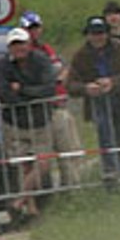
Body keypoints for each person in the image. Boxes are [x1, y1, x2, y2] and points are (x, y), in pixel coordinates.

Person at [0, 27, 57, 221]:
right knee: (25, 166)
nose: (18, 48)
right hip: (14, 123)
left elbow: (49, 88)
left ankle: (19, 201)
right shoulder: (3, 65)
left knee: (43, 163)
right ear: (9, 48)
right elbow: (3, 93)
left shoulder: (41, 60)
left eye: (21, 43)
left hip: (40, 121)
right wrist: (26, 98)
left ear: (28, 44)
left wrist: (23, 90)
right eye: (14, 45)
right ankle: (32, 210)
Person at [66, 15, 120, 184]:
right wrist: (86, 88)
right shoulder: (80, 55)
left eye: (101, 33)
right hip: (97, 103)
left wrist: (113, 82)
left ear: (107, 33)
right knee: (105, 133)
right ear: (87, 35)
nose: (98, 37)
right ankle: (111, 171)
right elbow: (71, 85)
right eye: (94, 33)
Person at [23, 11, 84, 188]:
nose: (33, 32)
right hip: (40, 112)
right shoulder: (25, 55)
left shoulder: (46, 49)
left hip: (59, 105)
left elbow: (63, 68)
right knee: (43, 160)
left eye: (36, 28)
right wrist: (53, 78)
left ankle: (72, 189)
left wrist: (62, 75)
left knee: (69, 151)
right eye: (29, 29)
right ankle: (46, 196)